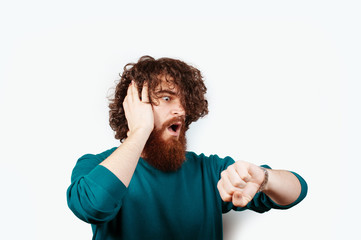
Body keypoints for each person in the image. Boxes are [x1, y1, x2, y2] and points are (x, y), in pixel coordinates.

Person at [66, 56, 308, 240]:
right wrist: (139, 131)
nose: (181, 110)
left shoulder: (209, 170)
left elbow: (297, 190)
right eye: (167, 98)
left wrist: (265, 178)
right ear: (134, 105)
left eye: (185, 101)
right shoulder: (95, 165)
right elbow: (92, 206)